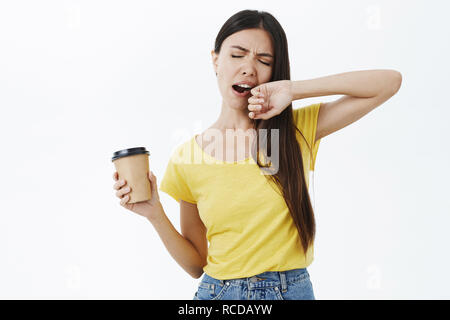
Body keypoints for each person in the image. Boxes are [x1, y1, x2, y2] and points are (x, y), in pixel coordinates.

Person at [112, 9, 402, 300]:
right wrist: (155, 213)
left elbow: (389, 82)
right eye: (237, 55)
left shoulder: (294, 131)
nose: (249, 68)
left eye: (264, 61)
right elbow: (196, 264)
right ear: (215, 59)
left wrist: (294, 89)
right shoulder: (187, 158)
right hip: (219, 294)